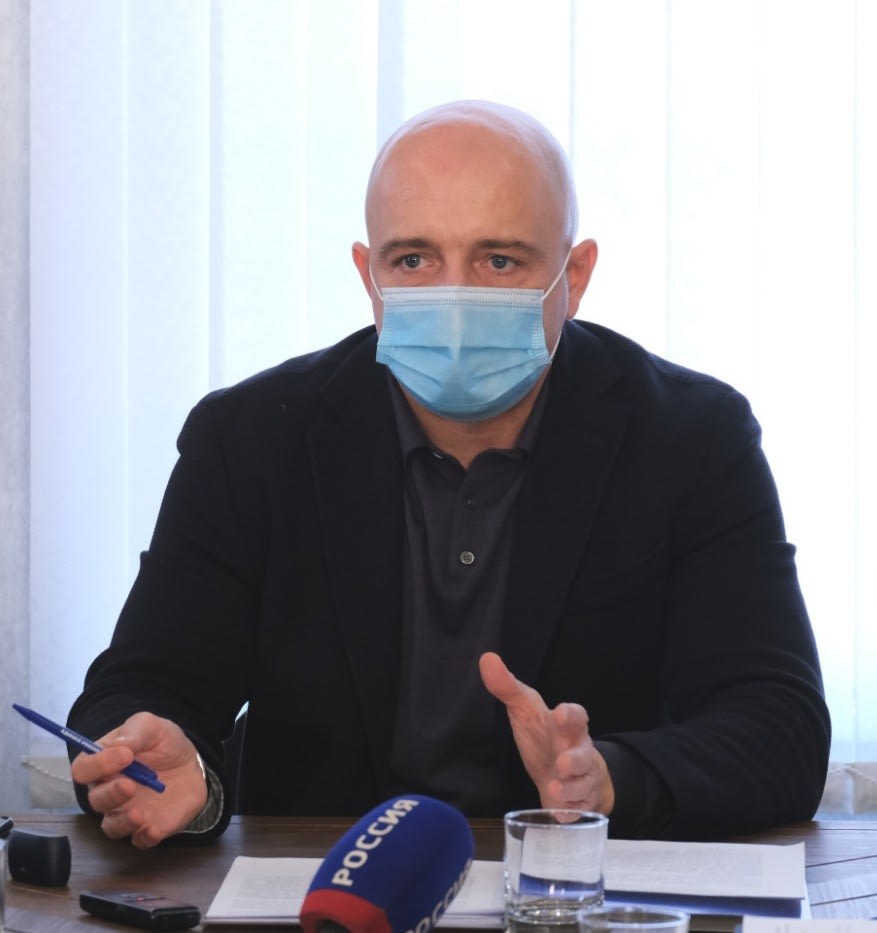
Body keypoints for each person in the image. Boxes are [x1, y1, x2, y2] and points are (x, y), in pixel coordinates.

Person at [67, 100, 830, 849]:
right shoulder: (250, 438)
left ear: (575, 274)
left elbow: (779, 728)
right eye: (413, 259)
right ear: (368, 276)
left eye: (499, 260)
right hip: (318, 889)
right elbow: (139, 691)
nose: (453, 294)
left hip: (571, 888)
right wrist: (167, 770)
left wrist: (609, 779)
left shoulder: (691, 438)